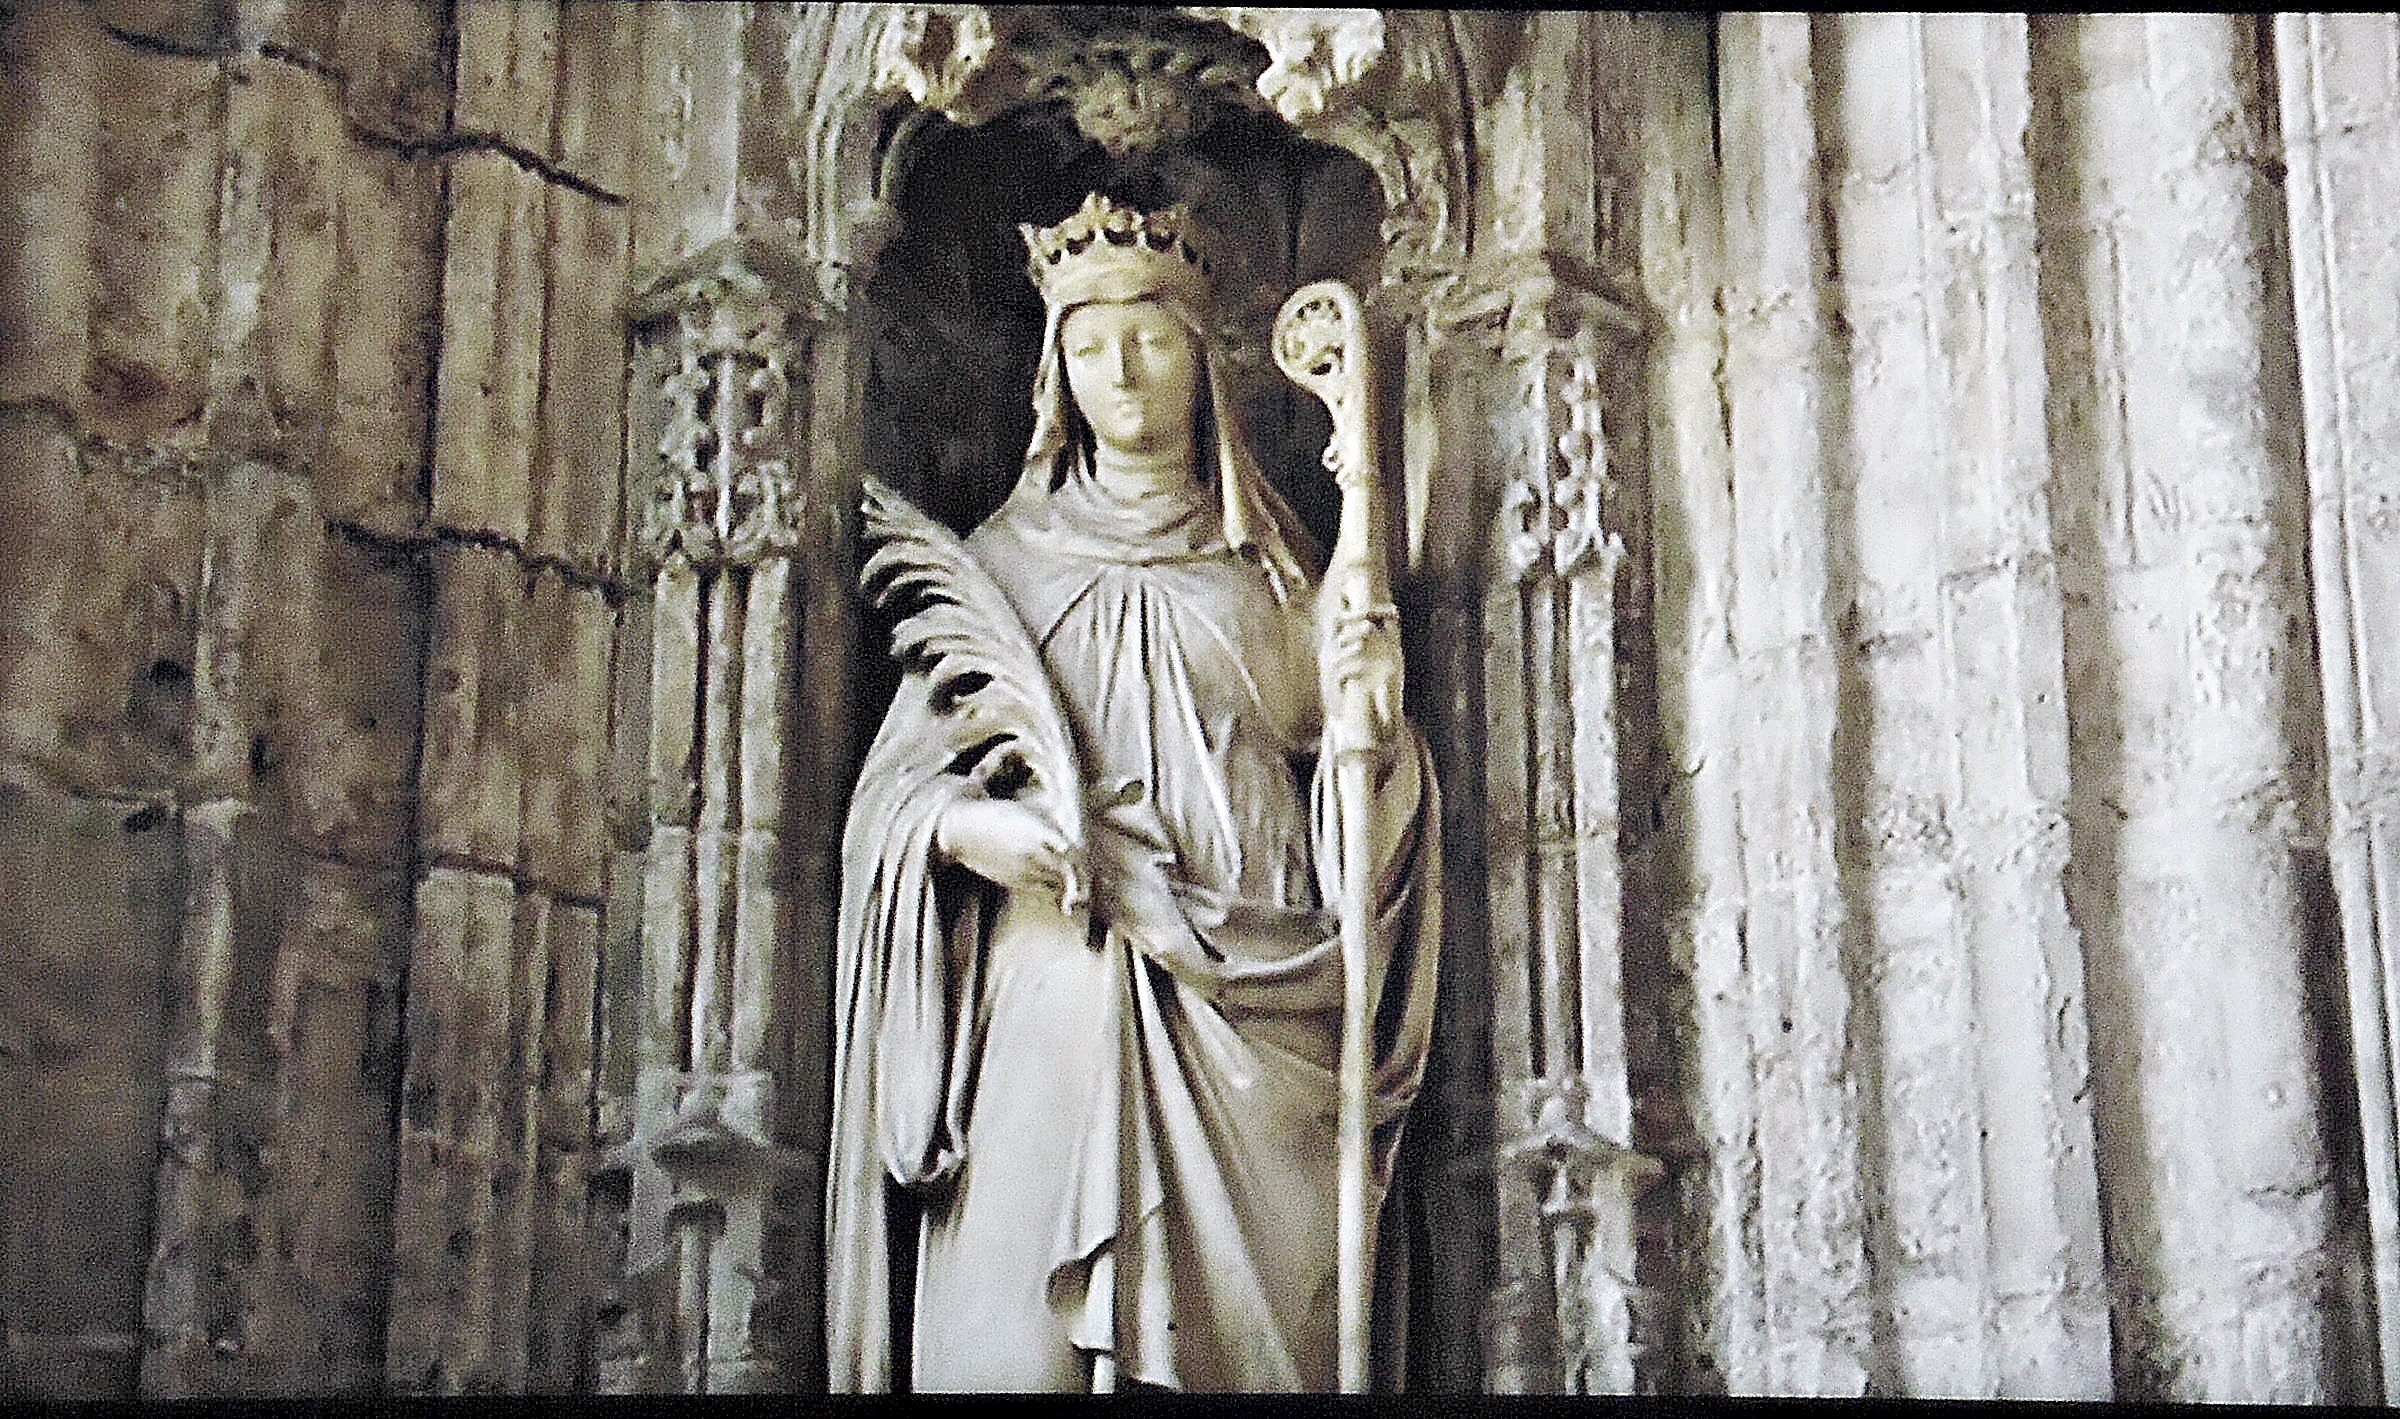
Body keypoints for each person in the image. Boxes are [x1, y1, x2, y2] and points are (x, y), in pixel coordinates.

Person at [826, 193, 1441, 1392]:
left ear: (1202, 363)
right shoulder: (1000, 571)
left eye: (1151, 337)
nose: (1121, 368)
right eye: (1092, 341)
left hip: (1256, 1017)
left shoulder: (1277, 581)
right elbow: (888, 806)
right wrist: (971, 829)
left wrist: (1374, 739)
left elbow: (1355, 796)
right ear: (1054, 371)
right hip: (1052, 998)